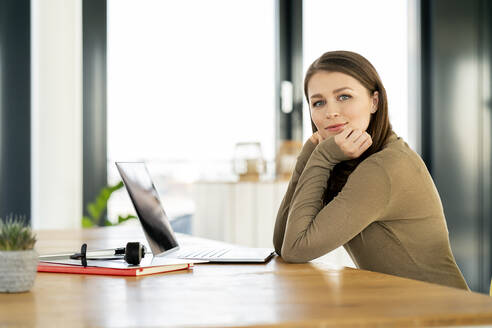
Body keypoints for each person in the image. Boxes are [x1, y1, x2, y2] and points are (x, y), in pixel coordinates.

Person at [273, 50, 469, 290]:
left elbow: (295, 249)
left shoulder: (384, 167)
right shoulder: (352, 160)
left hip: (445, 317)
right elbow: (282, 243)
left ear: (374, 102)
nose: (330, 112)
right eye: (318, 102)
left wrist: (322, 156)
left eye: (344, 97)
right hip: (403, 309)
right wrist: (308, 155)